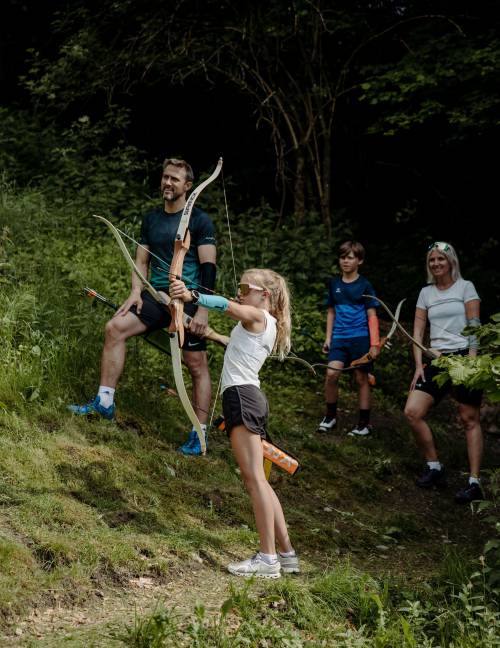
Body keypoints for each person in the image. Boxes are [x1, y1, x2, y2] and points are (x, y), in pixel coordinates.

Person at [68, 158, 217, 456]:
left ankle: (199, 434)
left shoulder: (200, 221)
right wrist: (137, 291)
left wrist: (202, 310)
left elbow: (209, 267)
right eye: (165, 177)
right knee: (115, 328)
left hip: (187, 301)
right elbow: (141, 260)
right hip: (154, 296)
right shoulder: (151, 219)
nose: (168, 183)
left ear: (188, 186)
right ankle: (105, 403)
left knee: (196, 366)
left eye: (175, 179)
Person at [170, 268, 299, 578]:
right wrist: (208, 333)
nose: (240, 291)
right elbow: (237, 343)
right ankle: (286, 555)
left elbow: (229, 306)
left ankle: (267, 560)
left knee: (253, 478)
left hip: (241, 398)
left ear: (265, 295)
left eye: (246, 287)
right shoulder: (262, 323)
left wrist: (191, 296)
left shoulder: (256, 315)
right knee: (259, 480)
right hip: (248, 398)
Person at [404, 241, 483, 504]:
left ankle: (474, 482)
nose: (436, 263)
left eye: (441, 259)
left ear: (451, 261)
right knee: (412, 412)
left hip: (464, 358)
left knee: (468, 418)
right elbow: (416, 334)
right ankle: (434, 466)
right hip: (437, 359)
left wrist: (471, 363)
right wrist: (418, 365)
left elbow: (474, 327)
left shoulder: (466, 287)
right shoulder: (426, 293)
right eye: (432, 260)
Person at [318, 241, 380, 436]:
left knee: (361, 378)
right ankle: (330, 416)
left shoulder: (365, 285)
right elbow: (331, 312)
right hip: (339, 338)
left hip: (360, 338)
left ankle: (363, 424)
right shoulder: (334, 284)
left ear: (359, 261)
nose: (345, 261)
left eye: (350, 257)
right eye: (342, 257)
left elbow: (372, 315)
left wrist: (375, 343)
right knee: (331, 374)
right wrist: (328, 338)